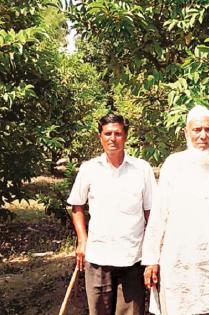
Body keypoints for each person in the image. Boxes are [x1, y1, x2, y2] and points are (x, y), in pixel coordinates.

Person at [142, 105, 209, 315]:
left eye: (208, 130)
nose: (203, 135)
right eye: (197, 130)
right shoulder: (173, 165)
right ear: (186, 132)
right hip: (179, 263)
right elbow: (158, 216)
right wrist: (151, 260)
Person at [67, 113, 156, 315]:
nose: (112, 138)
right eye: (107, 134)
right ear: (100, 137)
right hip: (98, 256)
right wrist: (82, 240)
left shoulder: (142, 169)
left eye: (117, 133)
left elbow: (152, 212)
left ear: (125, 136)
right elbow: (77, 206)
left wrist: (152, 254)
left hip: (133, 258)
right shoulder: (89, 169)